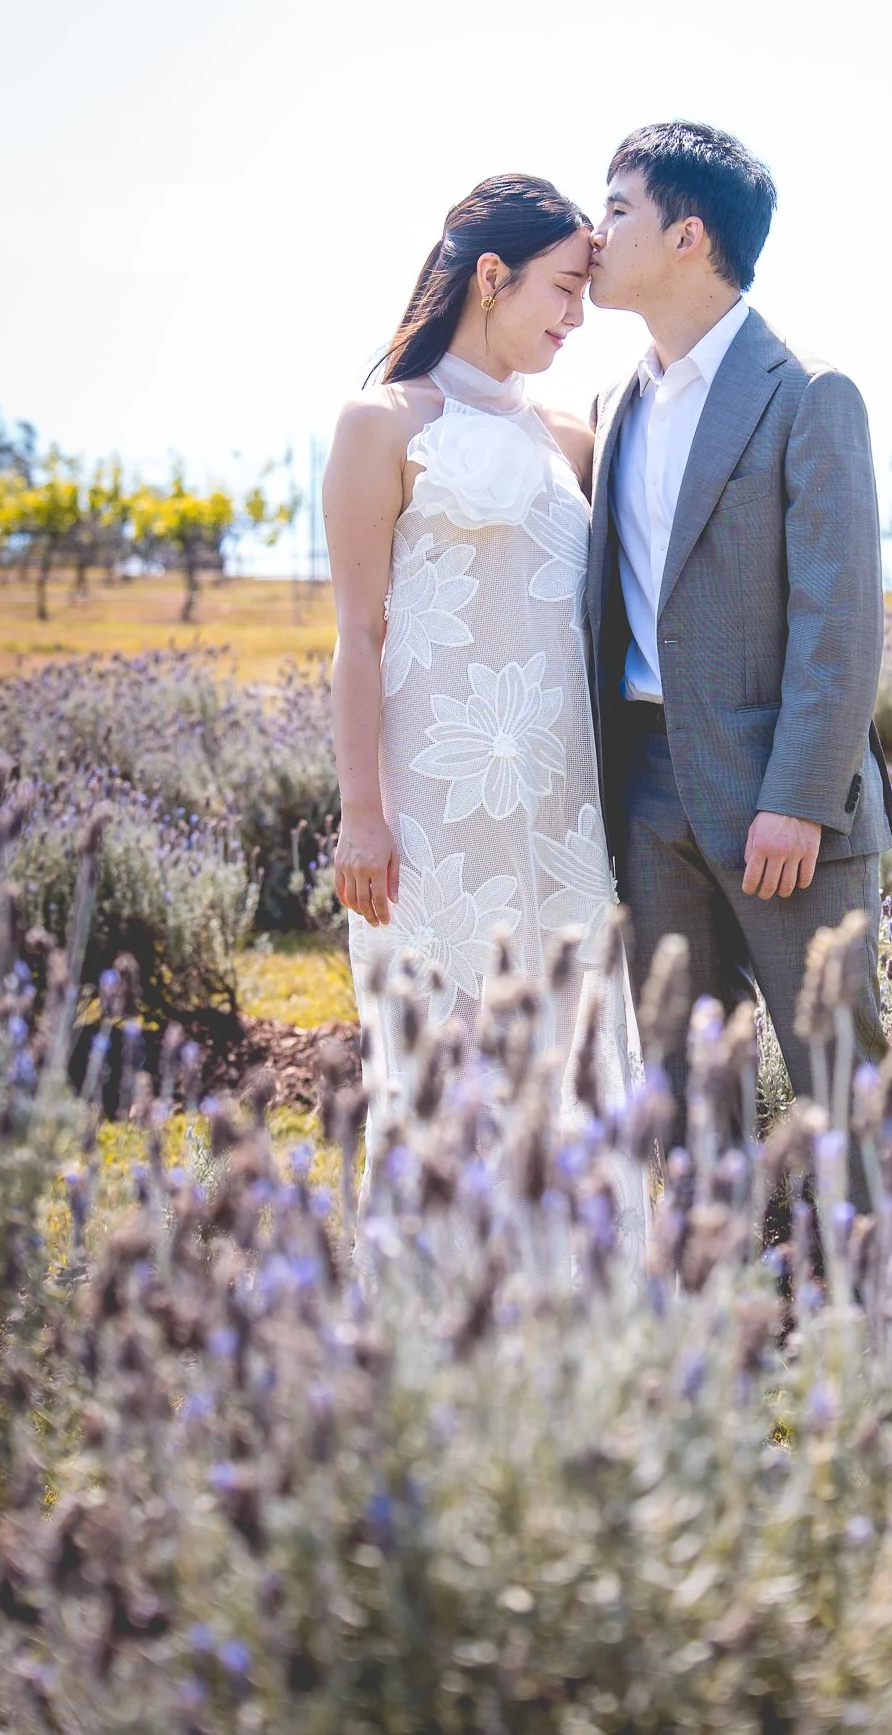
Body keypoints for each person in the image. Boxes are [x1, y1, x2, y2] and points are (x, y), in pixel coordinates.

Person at [322, 175, 644, 1233]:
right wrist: (361, 814)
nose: (575, 317)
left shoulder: (574, 439)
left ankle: (571, 1333)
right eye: (561, 288)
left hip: (560, 815)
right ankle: (436, 1337)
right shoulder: (382, 424)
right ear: (491, 276)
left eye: (586, 293)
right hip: (433, 817)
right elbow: (358, 638)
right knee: (442, 1071)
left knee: (567, 1066)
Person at [584, 121, 892, 1154]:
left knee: (838, 1078)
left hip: (779, 806)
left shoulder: (808, 393)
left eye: (617, 207)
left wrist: (798, 801)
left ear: (687, 235)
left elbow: (838, 618)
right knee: (682, 1081)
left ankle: (883, 1297)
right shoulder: (612, 400)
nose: (596, 232)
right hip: (646, 794)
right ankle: (716, 1294)